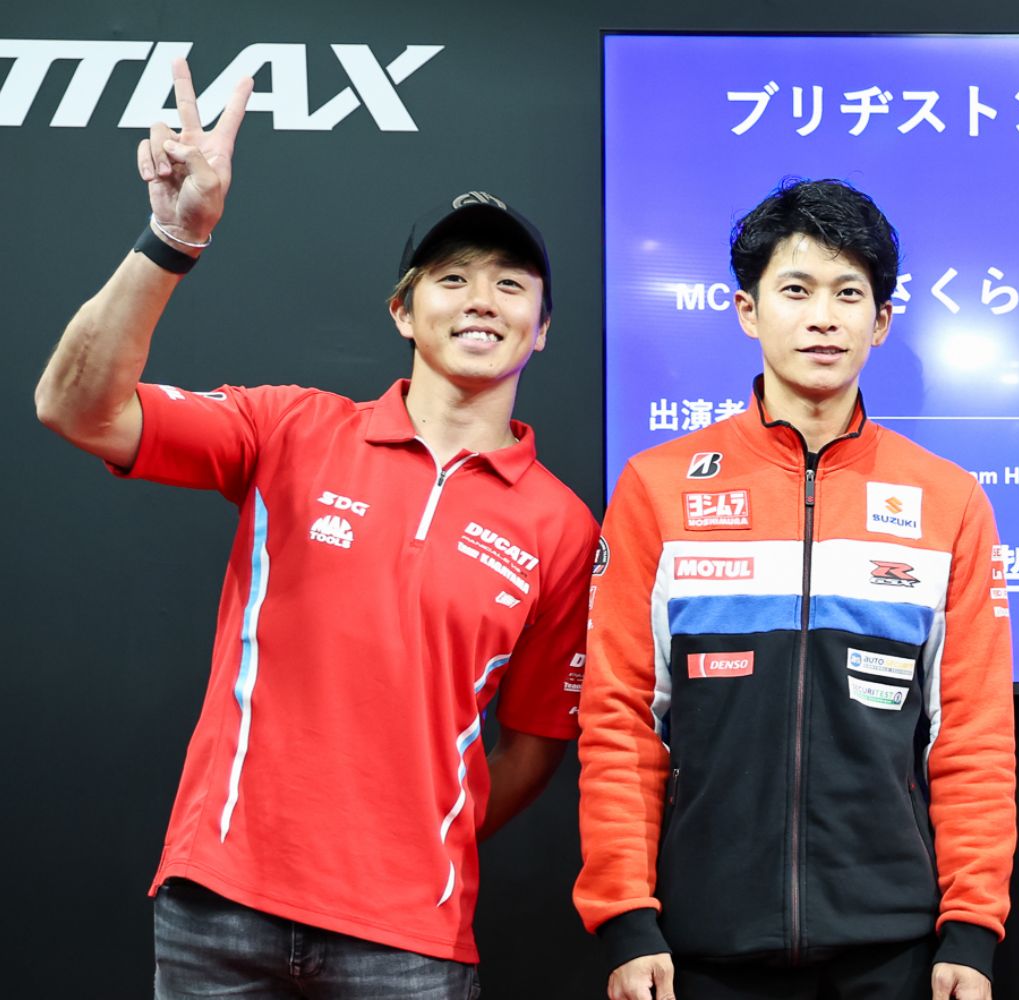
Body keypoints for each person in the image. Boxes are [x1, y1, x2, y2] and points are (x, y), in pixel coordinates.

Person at [33, 59, 597, 997]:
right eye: (452, 278)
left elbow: (536, 744)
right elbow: (75, 406)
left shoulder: (565, 526)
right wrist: (172, 238)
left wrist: (411, 839)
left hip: (410, 939)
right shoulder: (289, 428)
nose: (481, 300)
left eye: (510, 283)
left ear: (542, 329)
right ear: (402, 311)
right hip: (220, 909)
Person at [575, 179, 1017, 1000]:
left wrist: (972, 927)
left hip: (895, 947)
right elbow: (620, 719)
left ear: (881, 322)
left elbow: (974, 738)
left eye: (849, 294)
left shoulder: (948, 500)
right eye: (797, 290)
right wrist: (625, 915)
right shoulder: (656, 487)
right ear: (747, 310)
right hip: (700, 942)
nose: (824, 317)